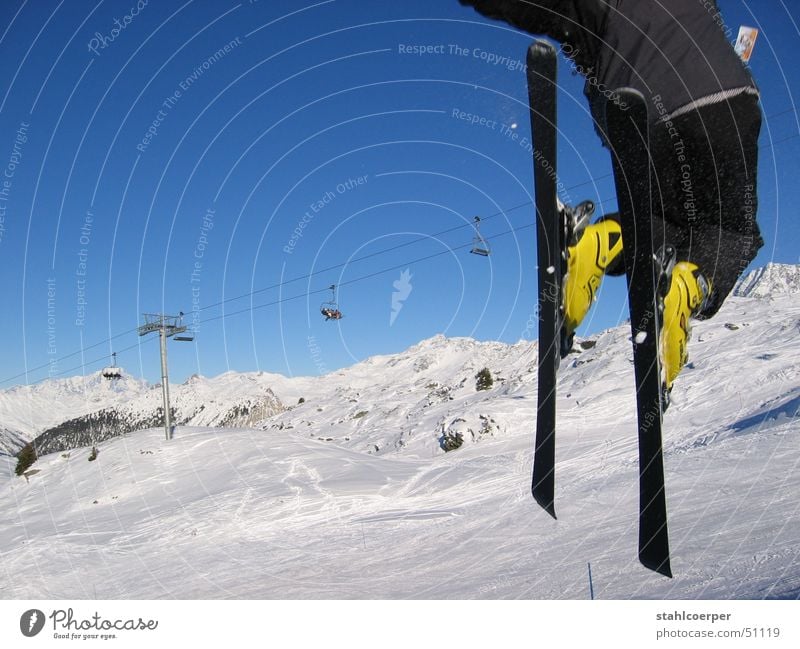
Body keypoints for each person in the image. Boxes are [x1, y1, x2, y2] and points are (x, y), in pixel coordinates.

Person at [459, 0, 762, 390]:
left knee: (656, 230)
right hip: (723, 100)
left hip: (638, 115)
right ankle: (689, 286)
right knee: (731, 234)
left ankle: (596, 242)